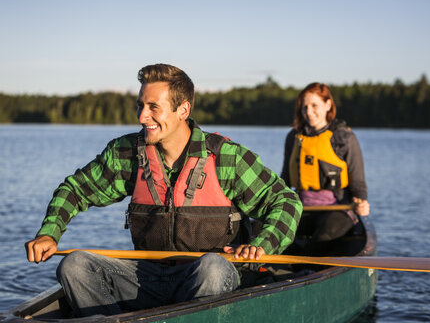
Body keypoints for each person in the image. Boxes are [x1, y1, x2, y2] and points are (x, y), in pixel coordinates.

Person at [25, 63, 302, 317]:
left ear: (183, 110)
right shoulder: (127, 153)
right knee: (74, 266)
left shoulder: (227, 157)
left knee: (213, 267)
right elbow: (75, 190)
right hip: (147, 279)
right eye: (140, 105)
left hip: (208, 280)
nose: (142, 116)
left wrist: (262, 245)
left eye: (153, 107)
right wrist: (50, 232)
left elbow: (285, 201)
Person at [281, 82, 369, 246]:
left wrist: (361, 202)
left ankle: (307, 268)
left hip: (337, 209)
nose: (309, 112)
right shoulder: (293, 137)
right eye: (304, 107)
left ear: (328, 105)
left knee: (323, 236)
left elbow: (358, 183)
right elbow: (284, 180)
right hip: (302, 208)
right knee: (265, 230)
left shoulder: (344, 138)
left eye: (314, 105)